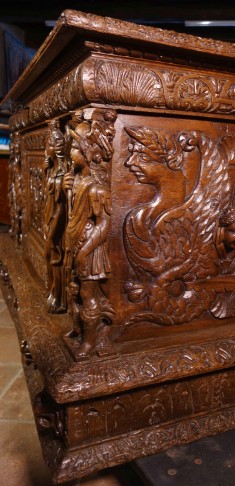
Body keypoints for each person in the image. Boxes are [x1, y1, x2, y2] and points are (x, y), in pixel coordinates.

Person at [63, 115, 115, 357]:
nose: (70, 152)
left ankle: (90, 341)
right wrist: (67, 192)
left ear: (88, 152)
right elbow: (73, 214)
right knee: (73, 289)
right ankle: (78, 328)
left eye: (75, 147)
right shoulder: (78, 181)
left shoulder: (97, 188)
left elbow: (104, 225)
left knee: (88, 294)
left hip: (91, 249)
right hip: (77, 242)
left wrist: (84, 251)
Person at [43, 119, 66, 313]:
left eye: (50, 145)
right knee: (49, 255)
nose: (48, 148)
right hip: (48, 217)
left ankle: (58, 296)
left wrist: (53, 230)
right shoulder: (53, 170)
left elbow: (60, 207)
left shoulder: (62, 176)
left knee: (53, 256)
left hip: (56, 220)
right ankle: (52, 291)